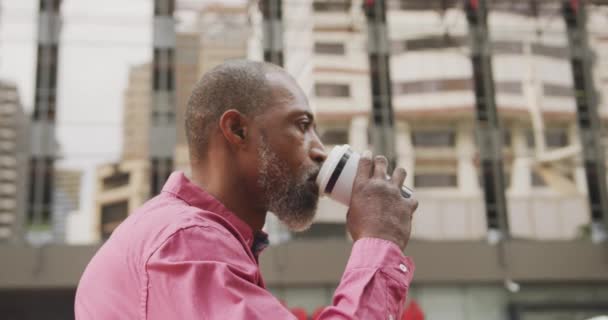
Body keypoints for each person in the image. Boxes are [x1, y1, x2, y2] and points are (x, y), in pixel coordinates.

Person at [75, 60, 419, 319]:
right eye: (302, 126)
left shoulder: (176, 234)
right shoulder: (187, 243)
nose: (319, 150)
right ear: (237, 130)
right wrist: (379, 241)